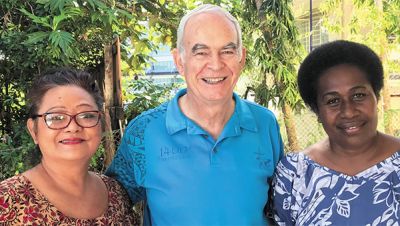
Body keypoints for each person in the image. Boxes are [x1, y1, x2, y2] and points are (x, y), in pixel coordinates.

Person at [105, 4, 284, 226]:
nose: (216, 64)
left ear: (242, 57)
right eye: (201, 52)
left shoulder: (264, 123)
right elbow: (111, 206)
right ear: (180, 61)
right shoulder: (144, 131)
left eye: (227, 51)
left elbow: (279, 207)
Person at [270, 40, 400, 225]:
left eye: (358, 95)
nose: (348, 111)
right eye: (332, 101)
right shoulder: (294, 174)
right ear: (317, 111)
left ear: (376, 97)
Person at [0, 68, 135, 225]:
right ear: (34, 130)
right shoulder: (6, 202)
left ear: (101, 123)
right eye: (56, 117)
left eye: (86, 115)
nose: (72, 127)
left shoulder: (117, 193)